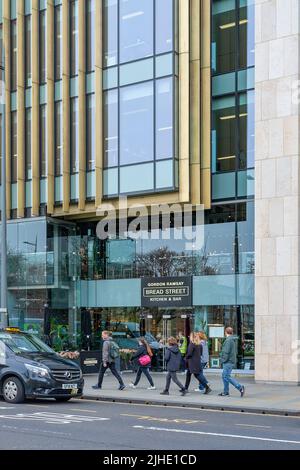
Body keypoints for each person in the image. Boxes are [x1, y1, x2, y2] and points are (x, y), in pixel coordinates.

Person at [219, 327, 245, 397]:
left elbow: (226, 352)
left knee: (226, 376)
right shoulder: (232, 339)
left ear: (225, 332)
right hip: (230, 361)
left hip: (228, 361)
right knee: (224, 376)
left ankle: (240, 387)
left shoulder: (228, 340)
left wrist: (222, 360)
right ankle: (226, 392)